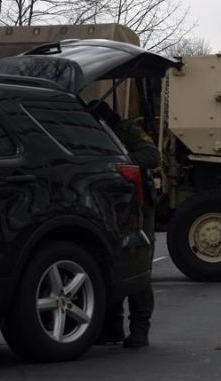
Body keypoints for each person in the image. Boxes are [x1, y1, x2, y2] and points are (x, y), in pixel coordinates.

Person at [90, 100, 160, 349]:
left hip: (138, 205)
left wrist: (121, 159)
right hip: (111, 204)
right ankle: (113, 325)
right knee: (111, 261)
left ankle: (140, 327)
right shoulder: (94, 134)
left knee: (137, 263)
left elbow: (152, 156)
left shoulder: (127, 131)